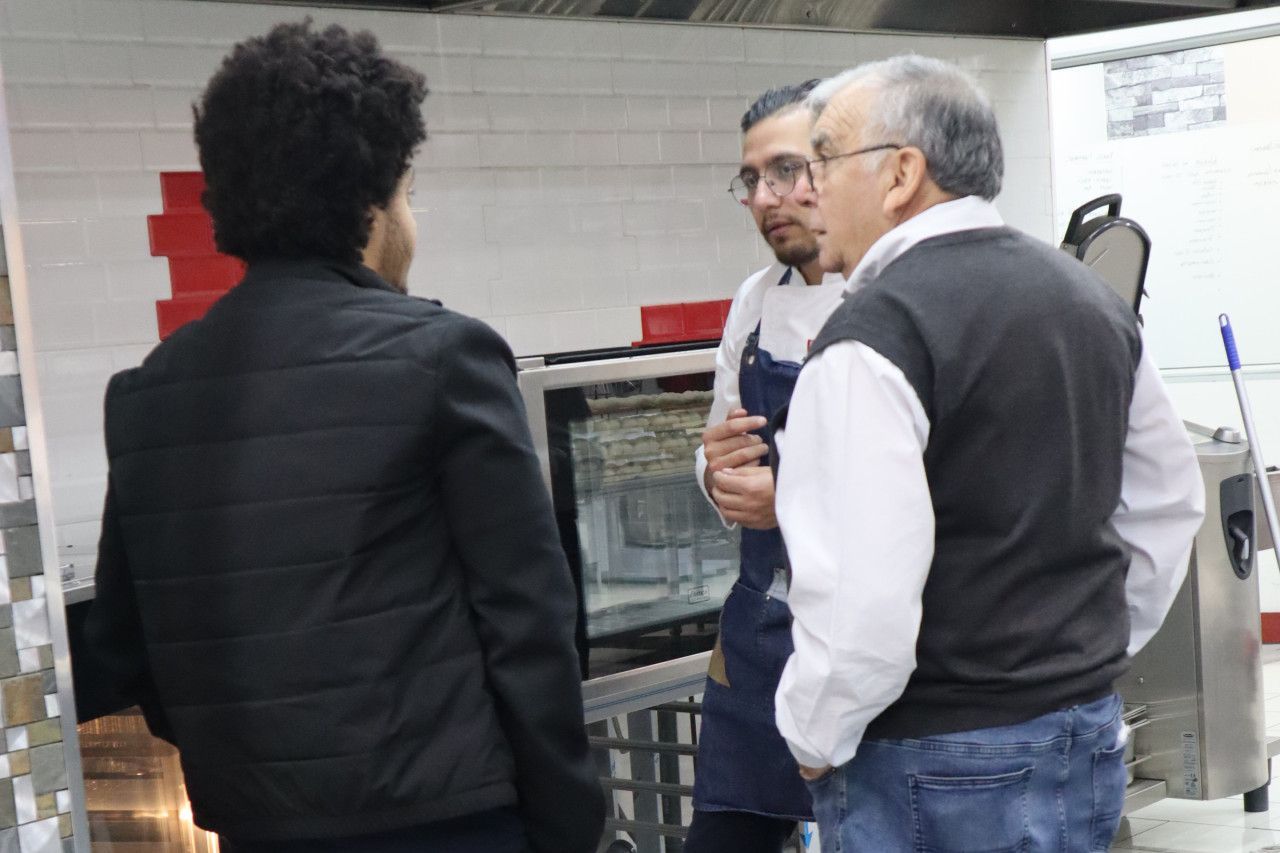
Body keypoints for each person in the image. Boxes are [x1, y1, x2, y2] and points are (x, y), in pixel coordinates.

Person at [82, 21, 604, 853]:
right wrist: (569, 822)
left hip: (256, 827)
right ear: (370, 205)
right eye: (406, 194)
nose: (409, 219)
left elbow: (122, 646)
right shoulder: (446, 357)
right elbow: (529, 622)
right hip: (447, 822)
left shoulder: (148, 393)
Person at [772, 56, 1206, 852]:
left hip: (932, 763)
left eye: (822, 160)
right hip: (1082, 730)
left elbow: (862, 600)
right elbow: (1168, 505)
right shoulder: (1089, 300)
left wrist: (812, 734)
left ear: (901, 174)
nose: (806, 190)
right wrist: (1074, 657)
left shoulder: (874, 337)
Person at [686, 80, 847, 853]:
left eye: (785, 171)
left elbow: (938, 479)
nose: (764, 197)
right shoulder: (754, 300)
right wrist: (715, 474)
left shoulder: (890, 296)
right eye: (750, 179)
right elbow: (716, 439)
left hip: (855, 640)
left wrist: (789, 497)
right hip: (758, 634)